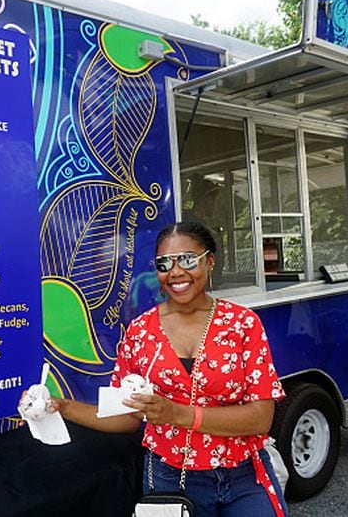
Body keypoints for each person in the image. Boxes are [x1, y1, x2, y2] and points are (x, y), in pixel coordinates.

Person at [49, 221, 288, 517]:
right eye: (164, 264)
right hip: (169, 477)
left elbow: (260, 418)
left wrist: (176, 413)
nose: (175, 272)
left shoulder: (242, 324)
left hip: (243, 474)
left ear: (209, 262)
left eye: (188, 260)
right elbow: (126, 416)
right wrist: (63, 408)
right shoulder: (140, 332)